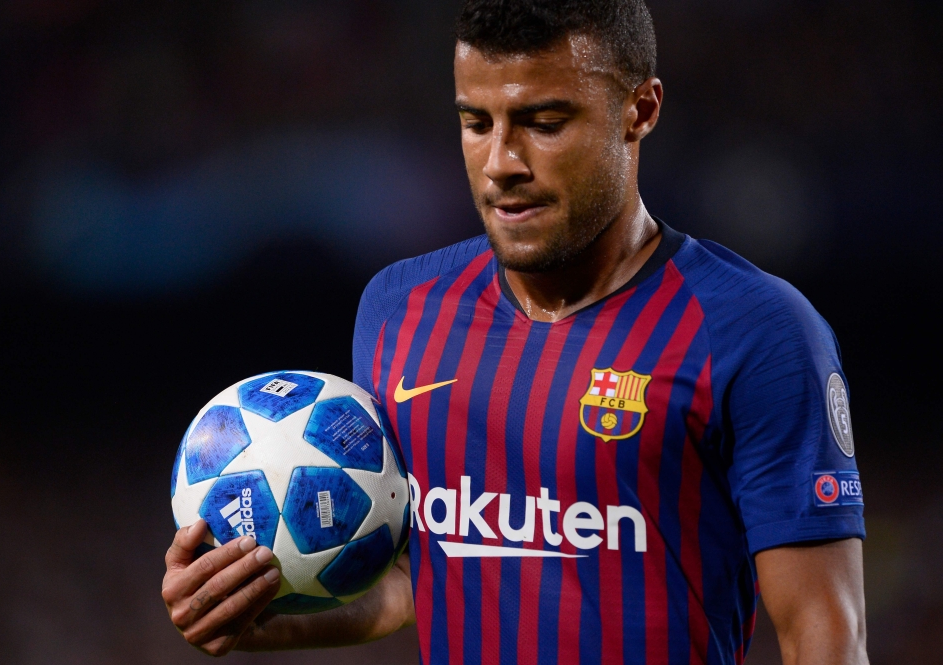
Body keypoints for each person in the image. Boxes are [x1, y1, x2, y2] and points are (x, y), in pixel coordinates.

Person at [161, 1, 869, 662]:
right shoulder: (397, 309)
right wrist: (272, 617)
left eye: (545, 122)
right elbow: (432, 576)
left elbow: (823, 631)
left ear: (640, 110)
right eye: (477, 122)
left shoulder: (757, 330)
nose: (502, 162)